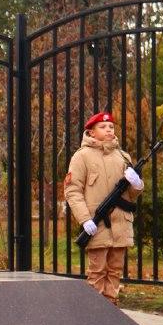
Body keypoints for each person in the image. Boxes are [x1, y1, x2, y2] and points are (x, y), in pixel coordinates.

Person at [64, 112, 144, 305]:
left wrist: (137, 184)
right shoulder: (82, 156)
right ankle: (95, 312)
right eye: (103, 127)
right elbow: (73, 191)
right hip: (97, 223)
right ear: (91, 132)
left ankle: (112, 310)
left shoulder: (122, 156)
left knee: (115, 271)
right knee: (97, 271)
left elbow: (131, 195)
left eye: (111, 127)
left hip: (121, 223)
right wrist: (85, 219)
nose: (108, 130)